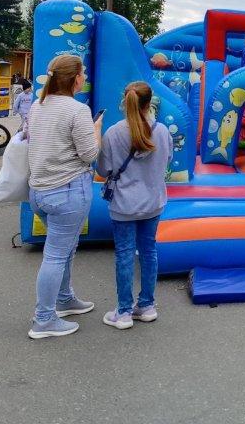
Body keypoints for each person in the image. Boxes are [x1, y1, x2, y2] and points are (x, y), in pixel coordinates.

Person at [26, 54, 103, 339]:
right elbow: (90, 155)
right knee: (56, 255)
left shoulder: (37, 105)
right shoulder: (77, 110)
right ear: (75, 78)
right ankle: (44, 319)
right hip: (67, 191)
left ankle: (64, 299)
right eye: (83, 73)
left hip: (39, 191)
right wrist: (96, 130)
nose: (85, 77)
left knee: (65, 248)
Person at [98, 81, 173, 330]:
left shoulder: (113, 133)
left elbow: (103, 169)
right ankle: (147, 305)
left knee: (124, 254)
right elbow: (167, 160)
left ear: (125, 101)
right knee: (148, 251)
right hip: (153, 201)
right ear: (150, 103)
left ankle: (123, 311)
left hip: (123, 204)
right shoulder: (162, 131)